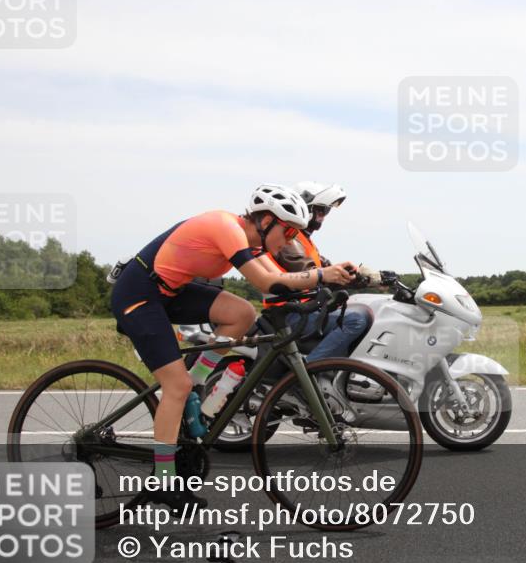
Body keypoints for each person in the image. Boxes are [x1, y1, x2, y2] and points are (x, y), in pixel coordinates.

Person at [110, 184, 354, 509]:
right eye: (288, 230)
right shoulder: (226, 228)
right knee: (176, 386)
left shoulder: (253, 244)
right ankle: (163, 480)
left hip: (171, 292)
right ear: (266, 220)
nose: (291, 239)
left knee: (241, 313)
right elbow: (267, 283)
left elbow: (281, 284)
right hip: (139, 294)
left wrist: (336, 279)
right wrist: (323, 276)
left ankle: (196, 383)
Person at [258, 181, 377, 362]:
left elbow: (329, 268)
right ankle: (307, 373)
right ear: (306, 208)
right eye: (320, 210)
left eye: (326, 211)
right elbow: (313, 273)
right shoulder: (290, 239)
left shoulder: (305, 242)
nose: (323, 216)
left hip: (305, 309)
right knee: (356, 319)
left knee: (367, 310)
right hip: (291, 312)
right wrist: (351, 278)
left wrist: (372, 278)